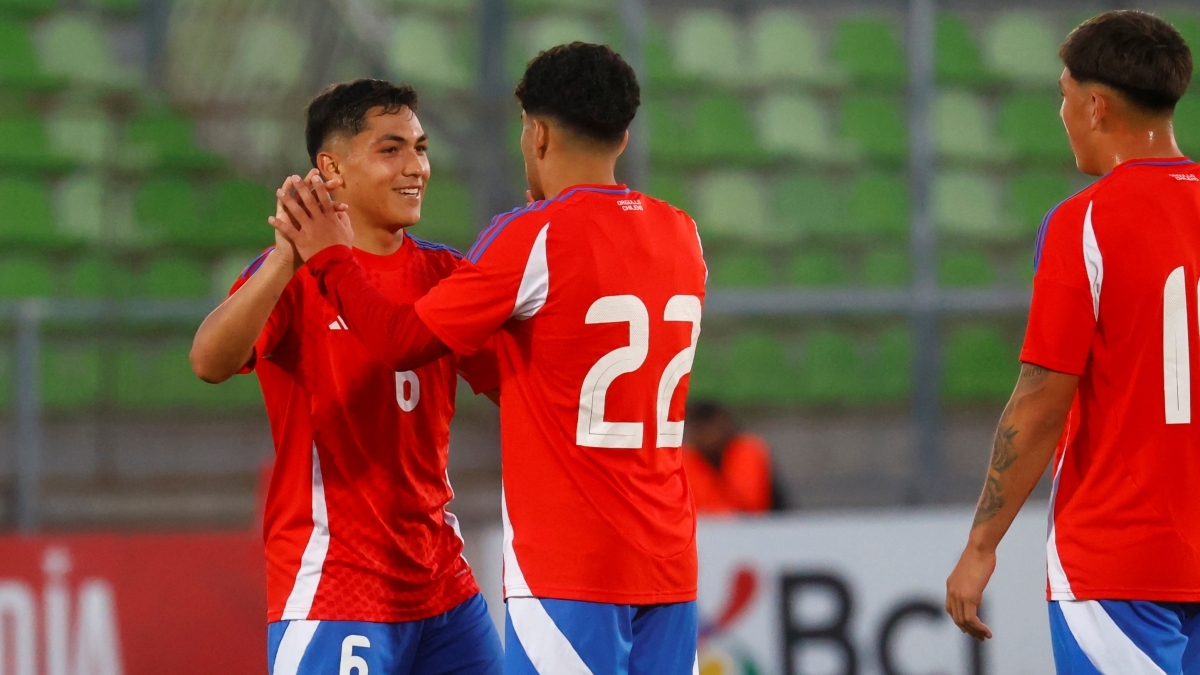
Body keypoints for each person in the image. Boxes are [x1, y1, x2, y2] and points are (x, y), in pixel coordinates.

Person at [270, 43, 706, 675]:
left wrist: (331, 257)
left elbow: (400, 344)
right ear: (624, 134)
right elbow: (557, 368)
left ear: (537, 133)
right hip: (669, 560)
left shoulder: (532, 236)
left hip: (570, 566)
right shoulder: (682, 234)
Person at [189, 79, 503, 675]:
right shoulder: (293, 279)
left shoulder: (445, 273)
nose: (416, 167)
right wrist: (287, 254)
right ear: (330, 167)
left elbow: (514, 390)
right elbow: (208, 362)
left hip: (444, 588)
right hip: (336, 588)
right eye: (391, 150)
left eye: (421, 147)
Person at [944, 11, 1200, 672]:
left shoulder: (1083, 222)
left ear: (1095, 103)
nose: (1061, 113)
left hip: (1121, 560)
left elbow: (1040, 402)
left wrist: (981, 545)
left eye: (1062, 95)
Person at [681, 400, 777, 514]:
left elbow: (756, 505)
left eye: (711, 428)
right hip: (705, 528)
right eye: (701, 430)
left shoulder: (749, 452)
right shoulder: (684, 460)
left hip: (756, 526)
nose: (708, 436)